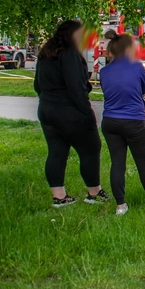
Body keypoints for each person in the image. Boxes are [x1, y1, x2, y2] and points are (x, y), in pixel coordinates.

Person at [34, 20, 108, 207]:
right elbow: (75, 88)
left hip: (47, 109)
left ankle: (59, 197)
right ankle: (94, 192)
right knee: (91, 149)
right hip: (70, 111)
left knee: (57, 152)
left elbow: (37, 85)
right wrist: (86, 112)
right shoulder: (70, 55)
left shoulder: (45, 54)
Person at [99, 33, 145, 215]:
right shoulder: (136, 67)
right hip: (134, 120)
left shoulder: (104, 72)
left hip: (110, 121)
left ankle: (120, 205)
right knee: (143, 161)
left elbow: (108, 91)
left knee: (117, 163)